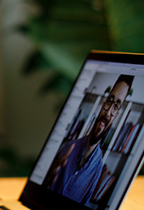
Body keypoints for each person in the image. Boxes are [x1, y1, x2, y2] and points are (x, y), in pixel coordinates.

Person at [43, 74, 134, 205]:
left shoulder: (97, 169)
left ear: (117, 115)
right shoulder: (68, 147)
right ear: (103, 103)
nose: (108, 113)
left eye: (116, 106)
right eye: (109, 101)